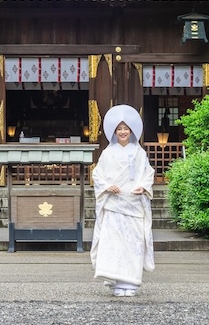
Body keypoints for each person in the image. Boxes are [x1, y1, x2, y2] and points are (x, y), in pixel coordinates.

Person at [91, 104, 155, 297]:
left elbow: (148, 173)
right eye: (119, 129)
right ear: (114, 132)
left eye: (126, 129)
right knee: (115, 244)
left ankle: (132, 282)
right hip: (114, 204)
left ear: (132, 131)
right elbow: (97, 174)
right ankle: (117, 281)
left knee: (132, 243)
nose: (123, 132)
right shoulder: (107, 153)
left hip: (133, 203)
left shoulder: (139, 153)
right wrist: (106, 186)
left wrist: (143, 186)